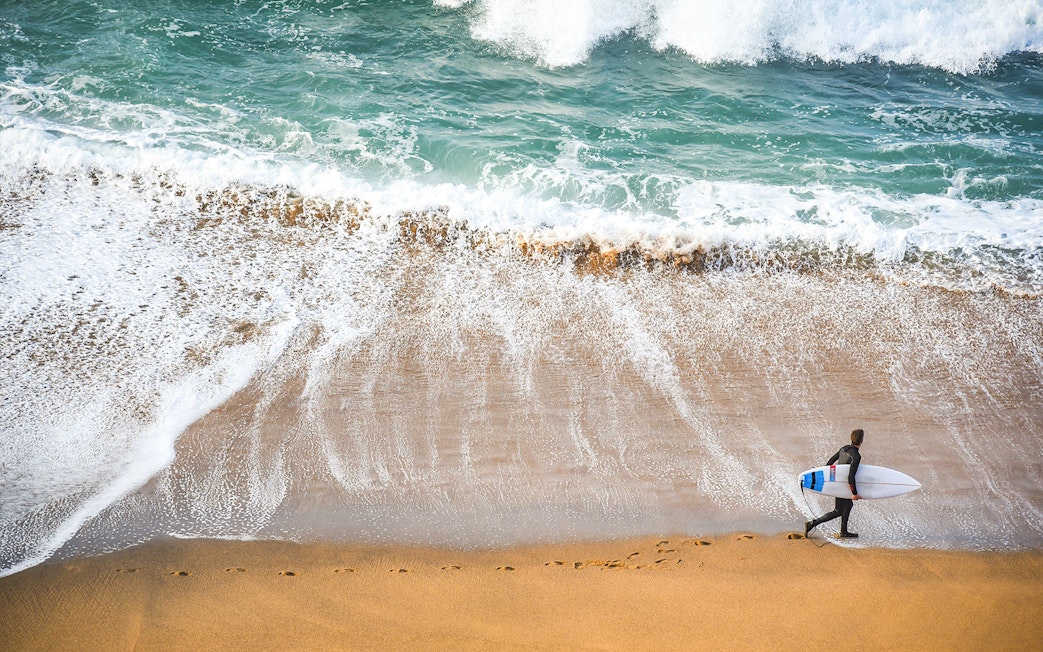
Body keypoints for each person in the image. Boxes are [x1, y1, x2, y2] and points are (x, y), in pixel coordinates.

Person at [805, 429, 864, 539]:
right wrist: (854, 493)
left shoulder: (844, 448)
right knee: (838, 511)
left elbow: (829, 463)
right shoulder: (856, 456)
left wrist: (824, 476)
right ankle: (813, 523)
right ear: (861, 440)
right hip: (844, 485)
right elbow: (851, 476)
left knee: (846, 506)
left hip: (837, 482)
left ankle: (843, 531)